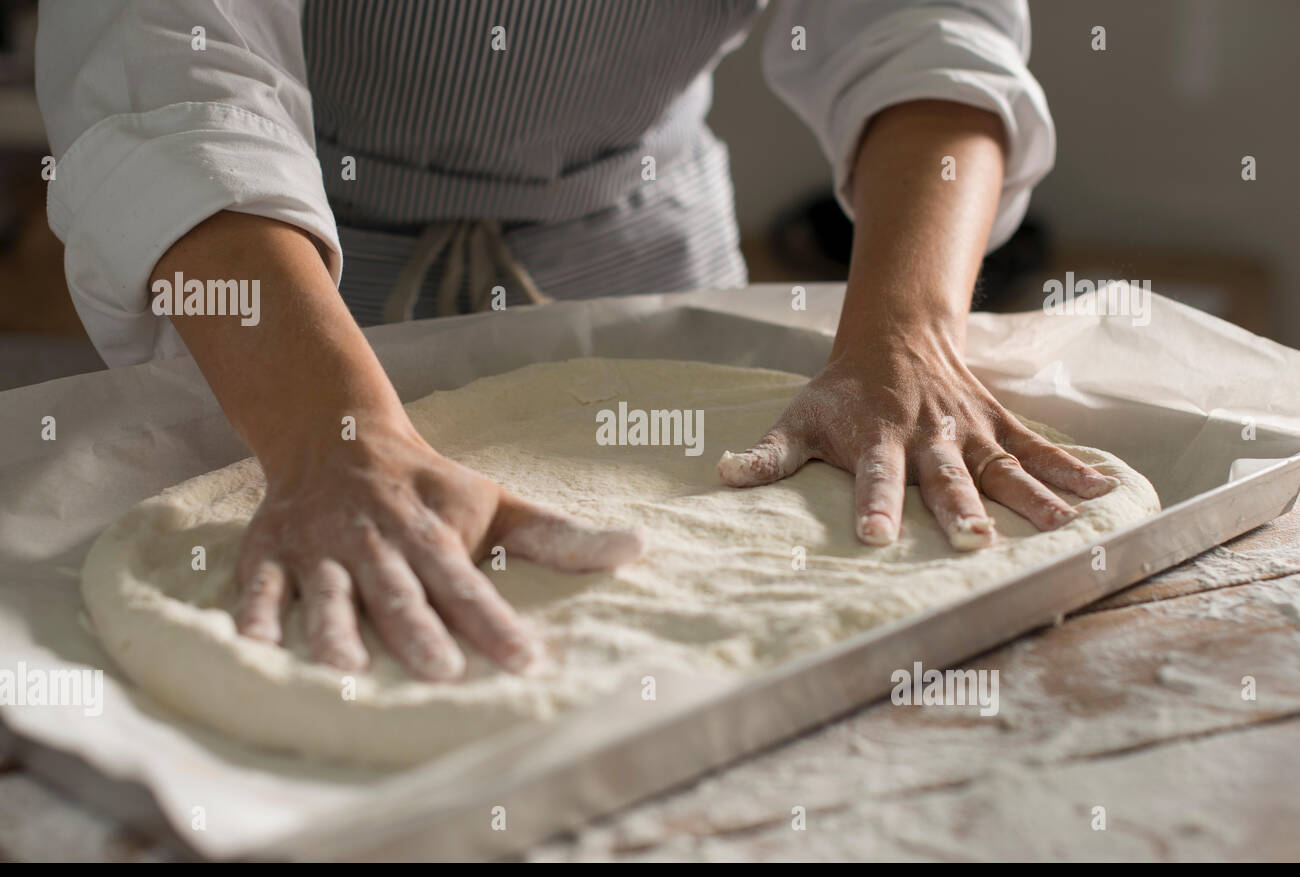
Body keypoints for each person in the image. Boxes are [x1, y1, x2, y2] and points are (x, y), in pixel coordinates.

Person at [36, 0, 1116, 681]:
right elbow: (176, 79)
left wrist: (907, 330)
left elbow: (921, 29)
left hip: (639, 265)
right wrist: (327, 434)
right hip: (272, 296)